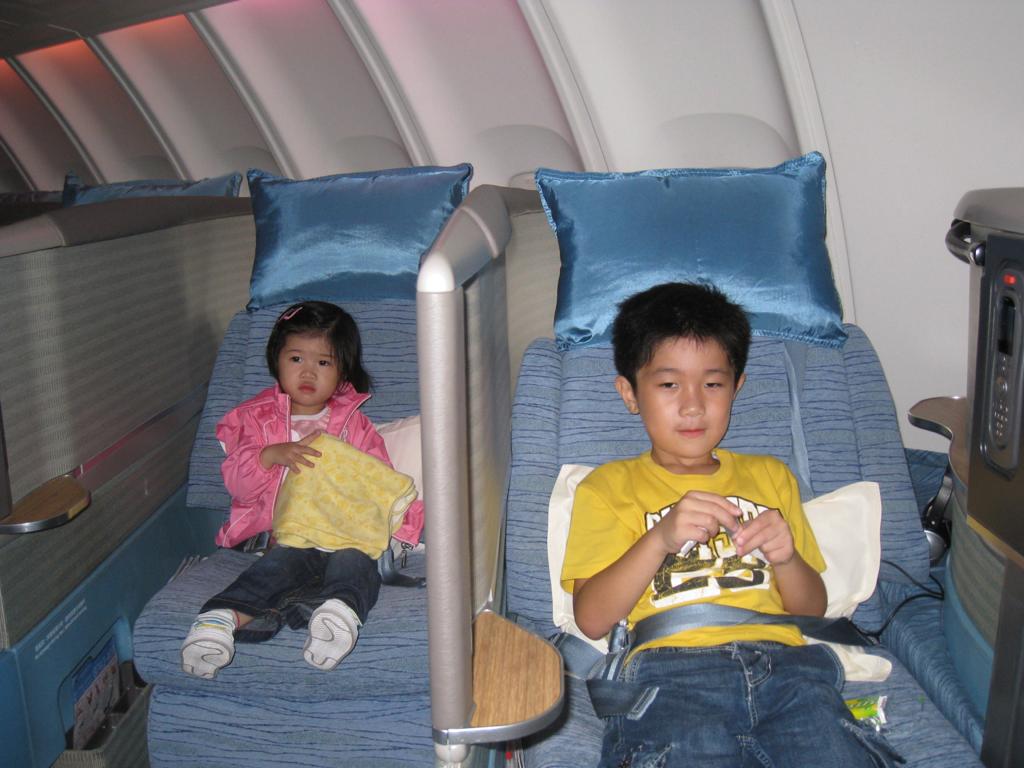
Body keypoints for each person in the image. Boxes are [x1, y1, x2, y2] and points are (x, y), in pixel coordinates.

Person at [562, 282, 900, 767]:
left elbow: (812, 609)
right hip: (671, 675)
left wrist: (785, 556)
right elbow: (592, 618)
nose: (694, 404)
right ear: (630, 393)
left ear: (737, 388)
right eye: (668, 384)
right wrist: (659, 538)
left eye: (713, 384)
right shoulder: (607, 487)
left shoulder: (770, 476)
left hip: (789, 668)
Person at [180, 301, 423, 679]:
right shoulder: (255, 419)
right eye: (296, 358)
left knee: (357, 560)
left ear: (342, 372)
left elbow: (378, 480)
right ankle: (219, 619)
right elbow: (237, 484)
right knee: (278, 569)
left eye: (323, 362)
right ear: (276, 359)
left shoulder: (355, 427)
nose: (308, 371)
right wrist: (269, 456)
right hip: (281, 539)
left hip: (342, 534)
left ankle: (339, 615)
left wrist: (404, 532)